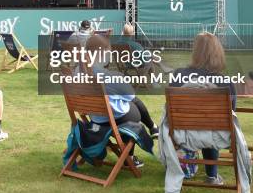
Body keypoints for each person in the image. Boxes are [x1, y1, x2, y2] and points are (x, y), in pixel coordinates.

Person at [73, 35, 158, 167]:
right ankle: (129, 157)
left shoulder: (77, 72)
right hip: (112, 122)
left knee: (124, 104)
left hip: (95, 120)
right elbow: (130, 96)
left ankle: (153, 128)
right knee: (132, 107)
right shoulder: (111, 76)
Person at [170, 32, 235, 185]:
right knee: (211, 126)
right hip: (214, 135)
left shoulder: (179, 75)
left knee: (205, 126)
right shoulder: (225, 82)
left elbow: (171, 109)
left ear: (195, 52)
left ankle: (184, 165)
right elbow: (231, 113)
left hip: (183, 134)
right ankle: (212, 176)